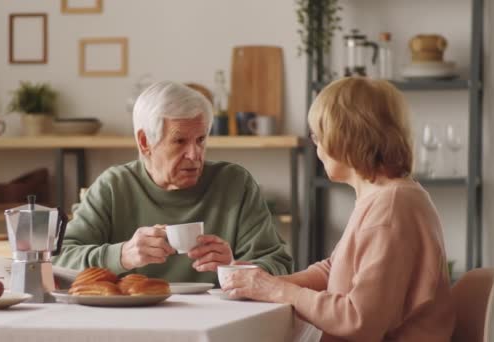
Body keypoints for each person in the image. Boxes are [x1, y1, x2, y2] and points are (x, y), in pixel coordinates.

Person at [221, 77, 455, 341]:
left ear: (346, 136)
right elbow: (335, 269)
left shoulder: (390, 208)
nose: (316, 146)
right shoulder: (383, 196)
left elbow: (359, 320)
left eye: (318, 135)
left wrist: (278, 291)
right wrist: (262, 282)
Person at [53, 81, 292, 283]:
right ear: (145, 142)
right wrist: (123, 254)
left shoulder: (235, 184)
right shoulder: (113, 187)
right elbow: (58, 259)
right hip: (131, 320)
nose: (194, 154)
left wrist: (235, 266)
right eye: (180, 142)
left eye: (200, 140)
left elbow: (280, 265)